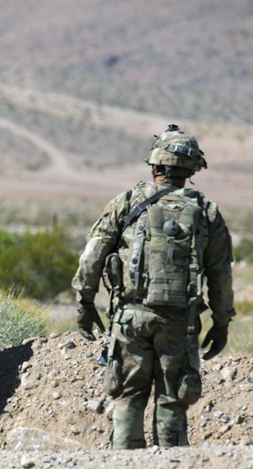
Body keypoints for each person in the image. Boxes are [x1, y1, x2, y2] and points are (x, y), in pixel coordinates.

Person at [72, 125, 235, 449]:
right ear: (191, 170)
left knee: (128, 395)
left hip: (131, 319)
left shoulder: (127, 201)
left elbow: (92, 258)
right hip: (181, 321)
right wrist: (221, 322)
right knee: (173, 398)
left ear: (155, 165)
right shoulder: (207, 213)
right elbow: (220, 277)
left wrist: (85, 303)